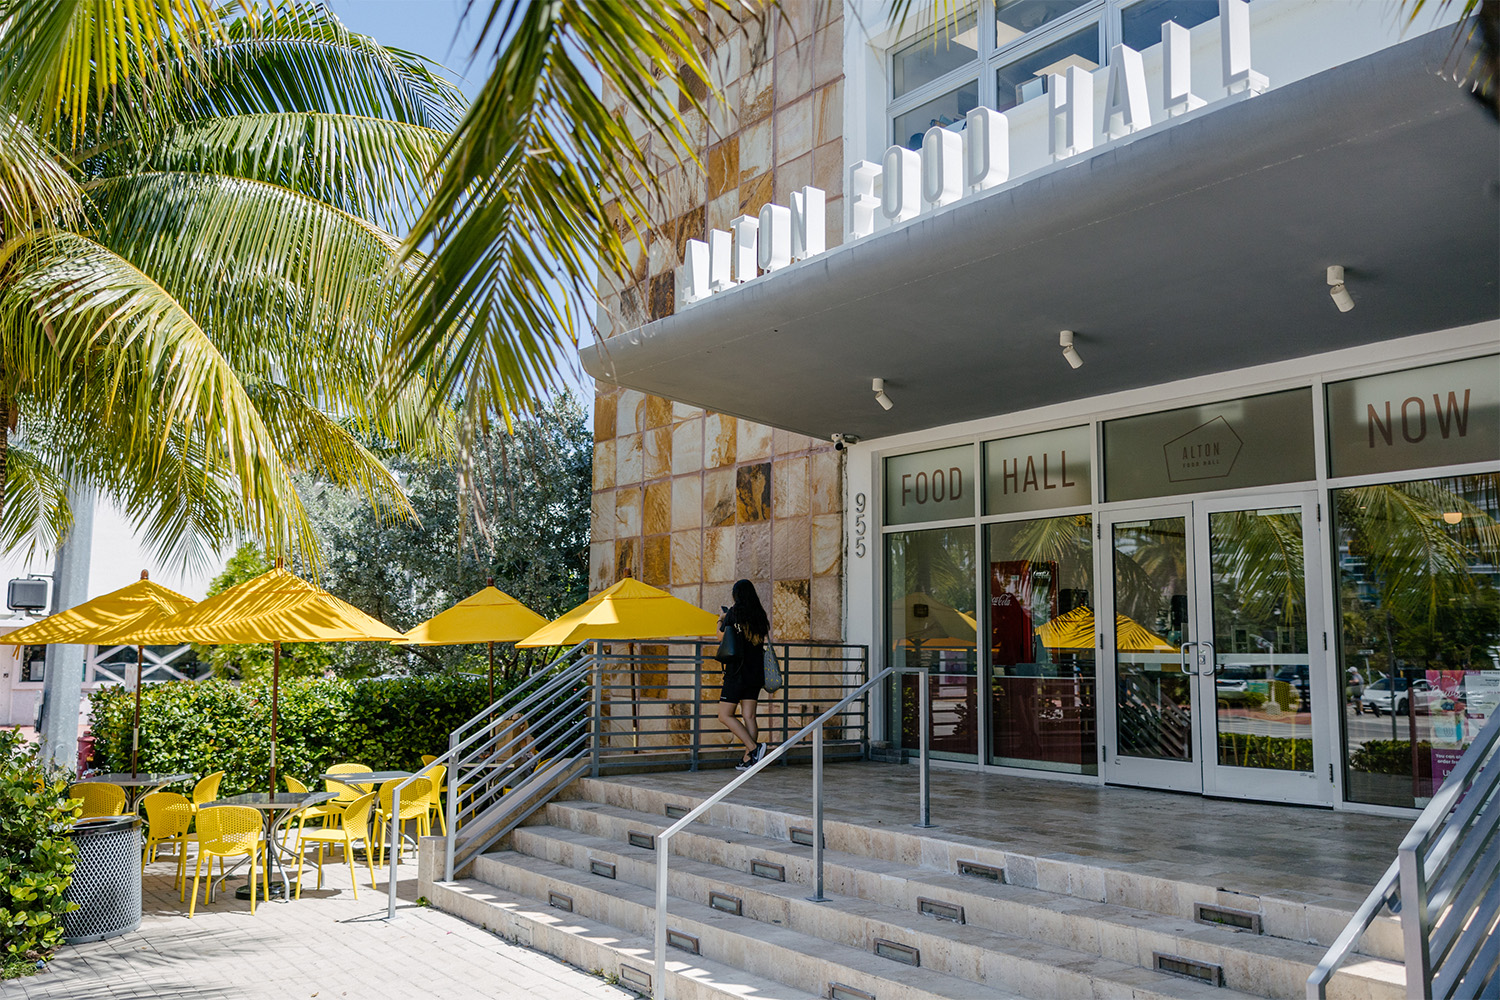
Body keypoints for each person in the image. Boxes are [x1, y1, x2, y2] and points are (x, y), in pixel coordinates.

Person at [716, 579, 771, 770]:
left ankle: (754, 749)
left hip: (737, 672)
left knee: (724, 715)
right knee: (749, 716)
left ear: (736, 595)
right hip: (756, 673)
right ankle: (749, 760)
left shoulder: (734, 612)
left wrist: (721, 619)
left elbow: (721, 637)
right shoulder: (759, 615)